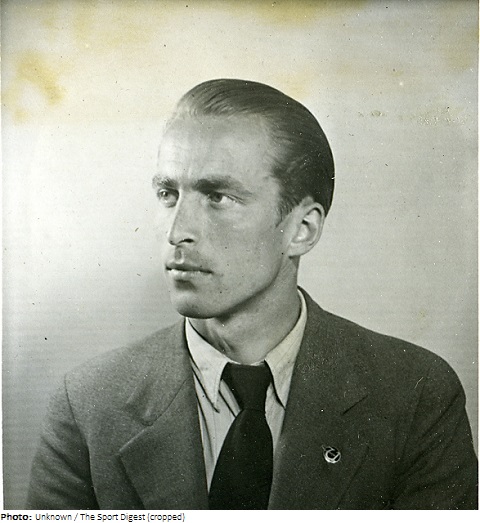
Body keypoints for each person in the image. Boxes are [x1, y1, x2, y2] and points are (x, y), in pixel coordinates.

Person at [27, 79, 477, 510]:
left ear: (302, 230)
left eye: (218, 197)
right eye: (168, 193)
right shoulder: (88, 405)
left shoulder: (414, 395)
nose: (177, 232)